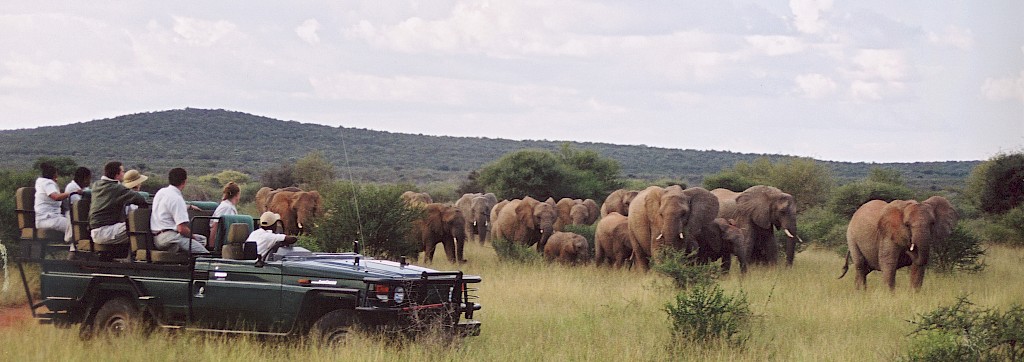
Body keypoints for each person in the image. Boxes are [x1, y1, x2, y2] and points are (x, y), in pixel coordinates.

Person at [151, 168, 208, 254]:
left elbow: (167, 207)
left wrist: (188, 206)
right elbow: (182, 229)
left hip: (158, 237)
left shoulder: (161, 192)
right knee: (203, 253)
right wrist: (192, 237)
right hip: (170, 238)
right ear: (184, 182)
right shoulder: (177, 199)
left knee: (202, 239)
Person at [89, 162, 147, 245]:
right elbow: (139, 198)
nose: (123, 174)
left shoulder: (96, 184)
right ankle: (138, 255)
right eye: (122, 172)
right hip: (106, 231)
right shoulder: (116, 188)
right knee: (138, 225)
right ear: (117, 174)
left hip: (96, 231)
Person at [34, 162, 76, 242]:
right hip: (48, 218)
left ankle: (72, 245)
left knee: (71, 222)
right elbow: (55, 197)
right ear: (54, 175)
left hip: (47, 218)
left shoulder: (41, 182)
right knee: (75, 227)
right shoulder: (47, 183)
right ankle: (72, 246)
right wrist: (71, 193)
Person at [209, 182, 241, 247]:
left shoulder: (230, 206)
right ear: (237, 194)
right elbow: (215, 225)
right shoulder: (226, 207)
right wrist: (212, 246)